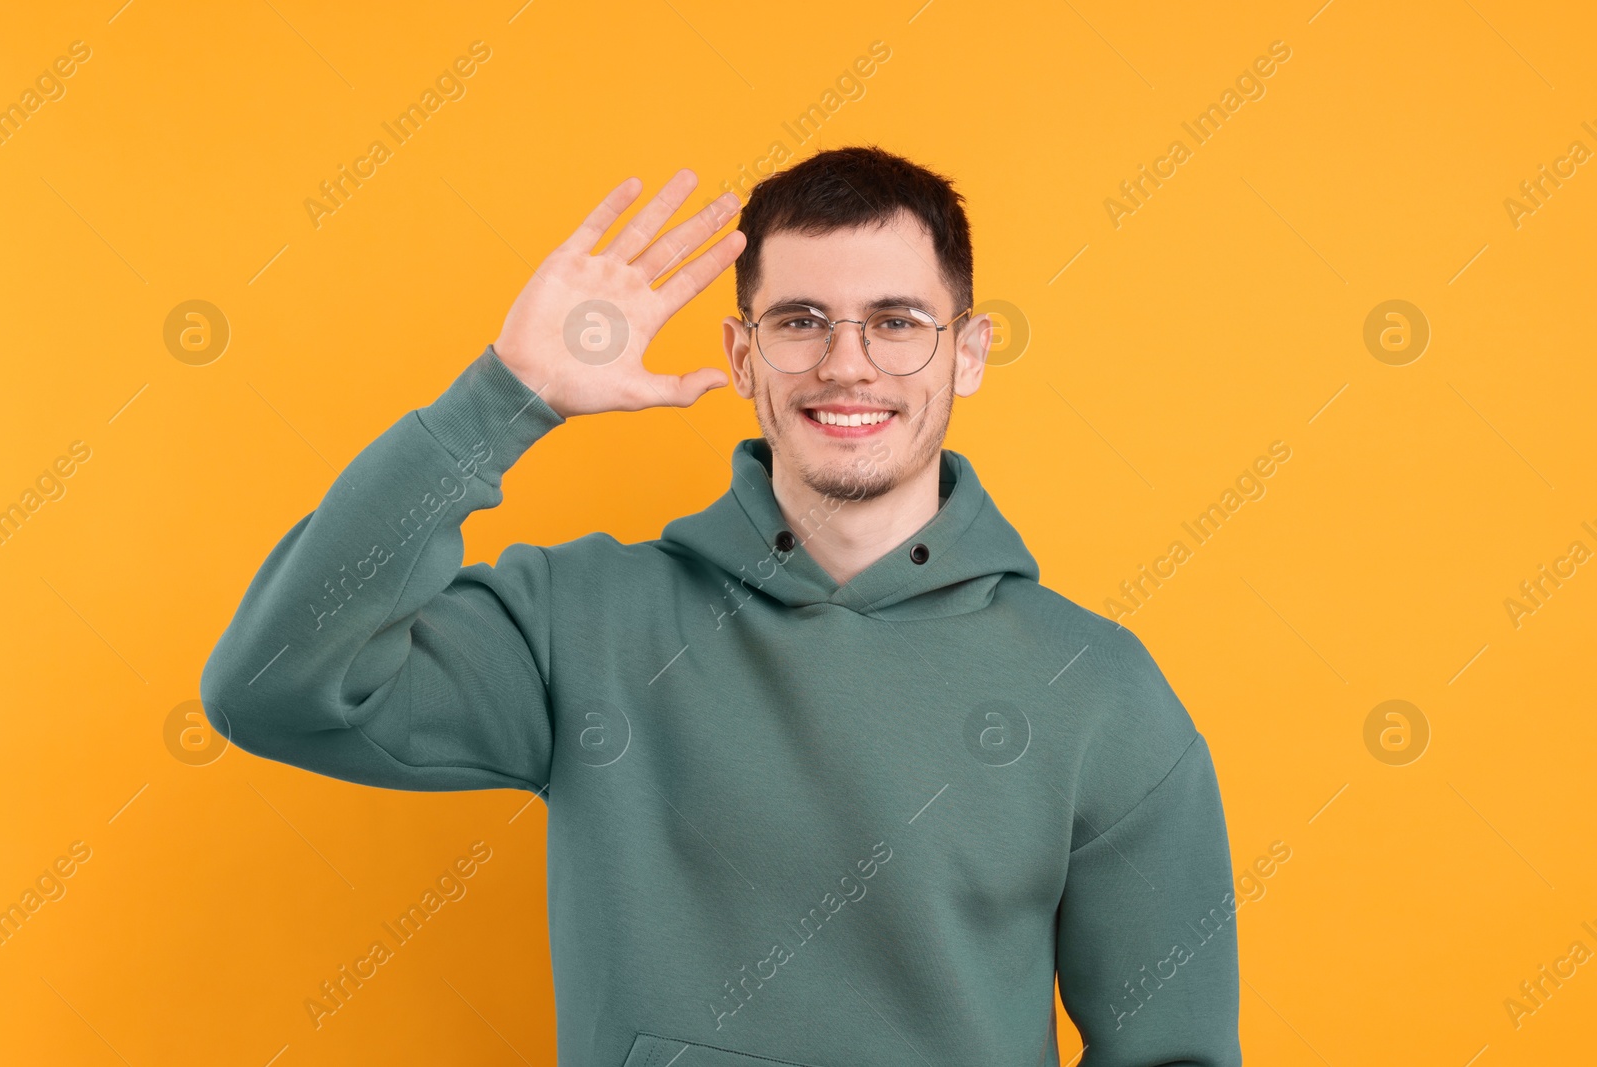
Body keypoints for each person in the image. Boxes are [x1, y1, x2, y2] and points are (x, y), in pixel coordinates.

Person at [201, 145, 1242, 1066]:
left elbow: (1173, 1050)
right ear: (743, 354)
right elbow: (274, 689)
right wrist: (505, 394)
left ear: (965, 350)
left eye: (896, 322)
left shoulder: (1098, 687)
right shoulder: (580, 619)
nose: (847, 362)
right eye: (800, 321)